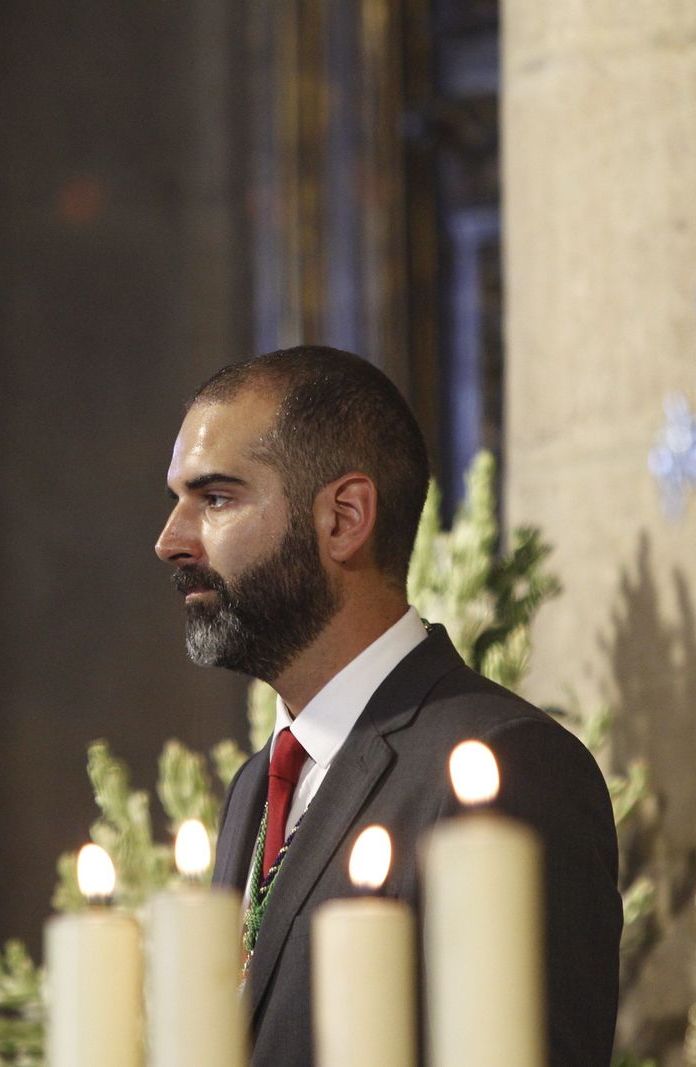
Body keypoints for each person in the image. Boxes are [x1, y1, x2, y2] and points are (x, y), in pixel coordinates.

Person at [154, 345, 621, 1067]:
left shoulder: (507, 768)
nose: (170, 540)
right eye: (179, 499)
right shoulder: (259, 782)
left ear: (343, 518)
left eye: (215, 498)